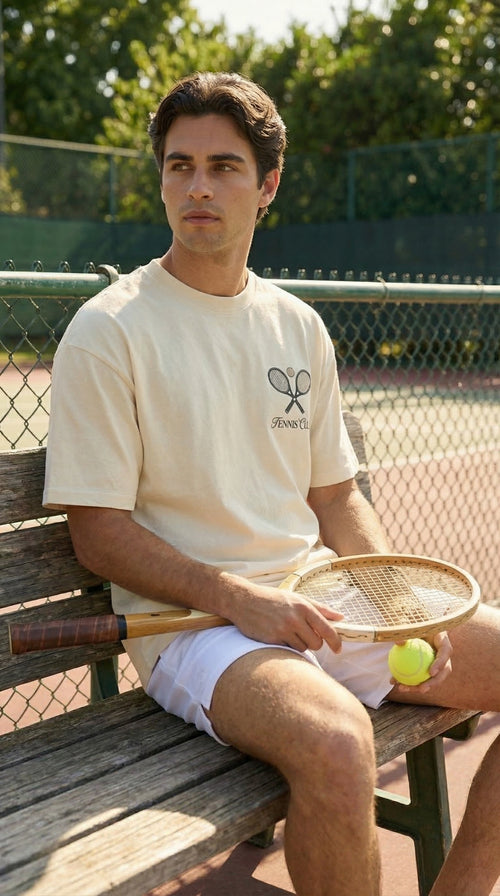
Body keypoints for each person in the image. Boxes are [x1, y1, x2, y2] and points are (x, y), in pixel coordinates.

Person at [43, 71, 500, 896]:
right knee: (335, 743)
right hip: (195, 633)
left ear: (269, 186)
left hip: (324, 603)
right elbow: (98, 533)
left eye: (223, 166)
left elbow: (335, 498)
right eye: (179, 166)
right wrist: (243, 601)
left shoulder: (298, 325)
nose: (199, 187)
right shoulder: (109, 330)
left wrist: (400, 608)